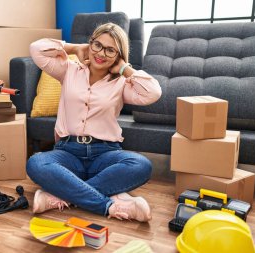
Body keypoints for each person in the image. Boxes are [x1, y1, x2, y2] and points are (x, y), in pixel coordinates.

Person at [27, 23, 162, 222]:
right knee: (36, 163)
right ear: (90, 44)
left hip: (105, 153)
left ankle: (60, 195)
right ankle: (109, 205)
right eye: (97, 45)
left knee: (141, 165)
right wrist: (74, 48)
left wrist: (125, 68)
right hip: (68, 151)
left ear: (118, 54)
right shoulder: (68, 70)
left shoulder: (122, 83)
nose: (101, 53)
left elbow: (153, 92)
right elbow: (36, 49)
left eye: (110, 50)